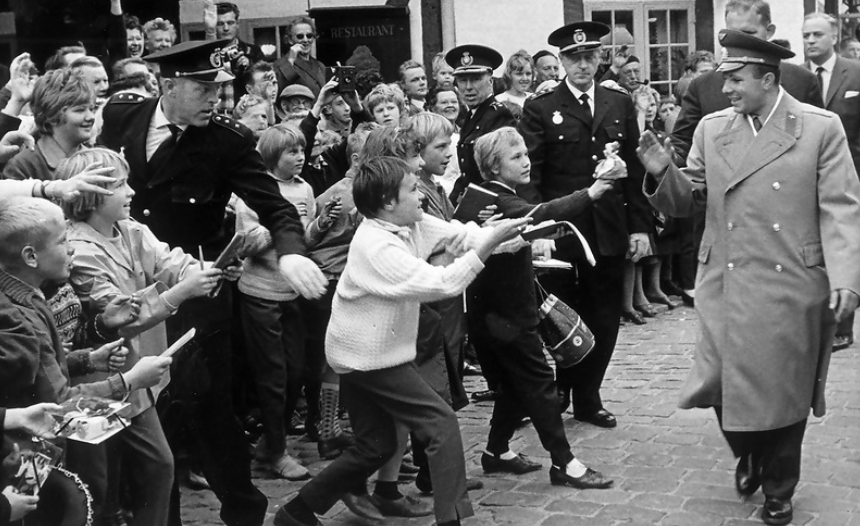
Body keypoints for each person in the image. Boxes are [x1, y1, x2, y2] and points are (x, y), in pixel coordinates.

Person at [98, 40, 326, 526]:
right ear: (167, 86)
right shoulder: (123, 119)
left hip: (198, 290)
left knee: (209, 405)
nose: (215, 99)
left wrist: (289, 253)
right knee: (149, 410)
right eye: (202, 88)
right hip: (129, 289)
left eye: (219, 89)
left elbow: (276, 206)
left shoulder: (227, 140)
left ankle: (243, 511)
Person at [637, 30, 860, 526]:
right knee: (719, 381)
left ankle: (779, 487)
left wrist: (846, 279)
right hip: (725, 276)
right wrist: (660, 173)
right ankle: (750, 451)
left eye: (736, 81)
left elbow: (842, 209)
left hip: (791, 279)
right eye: (725, 80)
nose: (728, 90)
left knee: (784, 388)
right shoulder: (713, 130)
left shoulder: (819, 128)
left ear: (767, 78)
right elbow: (687, 201)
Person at [273, 155, 528, 526]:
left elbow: (465, 236)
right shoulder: (377, 247)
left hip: (366, 355)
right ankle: (451, 520)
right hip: (369, 359)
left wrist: (523, 236)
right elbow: (444, 283)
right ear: (388, 202)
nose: (420, 196)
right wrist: (489, 247)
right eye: (412, 189)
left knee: (377, 445)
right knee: (441, 424)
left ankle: (297, 512)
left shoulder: (409, 223)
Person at [63, 147, 226, 526]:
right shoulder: (78, 249)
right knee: (100, 486)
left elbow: (170, 261)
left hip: (137, 382)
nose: (131, 192)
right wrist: (185, 290)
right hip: (98, 382)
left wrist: (204, 271)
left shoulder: (131, 229)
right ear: (92, 197)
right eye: (120, 185)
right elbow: (120, 317)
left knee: (159, 467)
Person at [517, 21, 653, 429]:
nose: (582, 64)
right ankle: (561, 386)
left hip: (609, 228)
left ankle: (589, 396)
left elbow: (635, 171)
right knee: (561, 312)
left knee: (605, 314)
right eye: (573, 57)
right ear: (560, 61)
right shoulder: (541, 107)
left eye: (590, 56)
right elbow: (532, 178)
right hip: (563, 230)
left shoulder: (619, 102)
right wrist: (538, 232)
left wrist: (640, 228)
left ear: (601, 58)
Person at [670, 0, 824, 311]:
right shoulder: (704, 86)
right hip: (728, 237)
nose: (739, 41)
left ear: (770, 31)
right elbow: (683, 150)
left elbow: (818, 161)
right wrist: (663, 167)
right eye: (731, 33)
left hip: (786, 243)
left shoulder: (801, 81)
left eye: (748, 32)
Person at [235, 123, 314, 481]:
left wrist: (308, 228)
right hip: (261, 291)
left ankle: (272, 440)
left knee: (297, 368)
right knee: (273, 374)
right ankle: (277, 451)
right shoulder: (253, 191)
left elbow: (305, 236)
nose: (299, 158)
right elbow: (246, 242)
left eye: (302, 150)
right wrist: (281, 225)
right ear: (271, 156)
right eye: (291, 152)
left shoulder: (305, 188)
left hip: (291, 291)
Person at [802, 12, 860, 352]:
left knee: (844, 244)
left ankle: (843, 324)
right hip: (806, 177)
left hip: (851, 174)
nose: (810, 41)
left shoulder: (854, 73)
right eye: (806, 35)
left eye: (817, 35)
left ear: (833, 37)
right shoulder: (792, 77)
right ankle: (814, 318)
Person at [446, 44, 515, 200]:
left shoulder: (498, 116)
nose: (469, 87)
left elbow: (502, 175)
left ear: (490, 80)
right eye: (463, 80)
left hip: (490, 203)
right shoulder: (471, 117)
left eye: (476, 79)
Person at [3, 68, 96, 182]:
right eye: (80, 110)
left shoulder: (97, 158)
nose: (91, 117)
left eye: (92, 109)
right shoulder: (24, 165)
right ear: (52, 115)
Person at [214, 2, 264, 105]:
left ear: (237, 24)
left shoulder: (253, 52)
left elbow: (264, 85)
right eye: (220, 24)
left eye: (230, 23)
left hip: (245, 112)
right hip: (215, 114)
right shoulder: (208, 54)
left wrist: (249, 68)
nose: (226, 28)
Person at [273, 16, 327, 99]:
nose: (305, 40)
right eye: (300, 36)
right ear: (290, 40)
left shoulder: (320, 66)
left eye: (309, 36)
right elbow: (277, 90)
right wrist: (290, 60)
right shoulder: (279, 65)